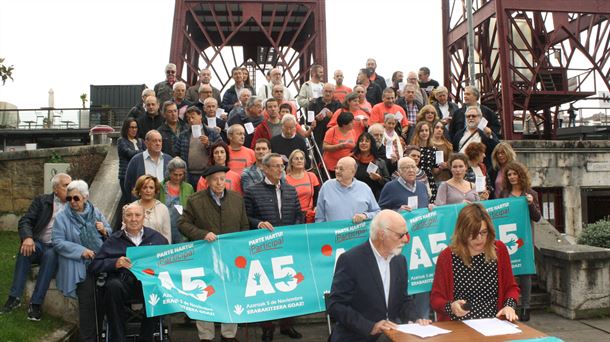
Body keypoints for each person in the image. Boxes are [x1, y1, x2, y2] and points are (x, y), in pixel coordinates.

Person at [327, 209, 430, 342]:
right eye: (401, 235)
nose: (406, 239)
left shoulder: (400, 261)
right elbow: (335, 305)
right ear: (382, 235)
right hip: (356, 335)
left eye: (407, 234)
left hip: (391, 334)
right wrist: (370, 327)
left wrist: (416, 319)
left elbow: (404, 300)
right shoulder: (351, 260)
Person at [179, 165, 248, 342]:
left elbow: (244, 226)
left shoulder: (237, 199)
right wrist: (202, 234)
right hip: (205, 257)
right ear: (207, 181)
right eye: (215, 179)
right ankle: (206, 336)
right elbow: (183, 224)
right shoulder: (195, 200)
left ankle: (229, 334)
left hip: (230, 257)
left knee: (230, 294)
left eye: (222, 179)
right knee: (205, 295)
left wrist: (239, 248)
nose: (219, 182)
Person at [243, 153, 303, 341]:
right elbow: (245, 217)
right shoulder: (252, 191)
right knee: (267, 288)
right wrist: (259, 224)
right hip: (264, 248)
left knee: (288, 285)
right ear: (265, 169)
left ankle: (287, 325)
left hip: (287, 247)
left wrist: (293, 234)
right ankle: (267, 328)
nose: (280, 169)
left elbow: (299, 215)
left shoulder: (291, 190)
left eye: (282, 166)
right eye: (276, 166)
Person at [90, 203, 168, 342]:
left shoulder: (157, 238)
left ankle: (146, 338)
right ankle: (118, 338)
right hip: (123, 283)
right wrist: (115, 263)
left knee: (158, 288)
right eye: (129, 215)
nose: (133, 219)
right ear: (123, 219)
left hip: (148, 284)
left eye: (137, 215)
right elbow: (95, 265)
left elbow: (169, 262)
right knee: (112, 286)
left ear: (144, 217)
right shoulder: (114, 240)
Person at [430, 203, 520, 322]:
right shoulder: (447, 256)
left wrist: (509, 306)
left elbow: (511, 287)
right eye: (473, 233)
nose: (479, 238)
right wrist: (450, 307)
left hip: (495, 324)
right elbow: (436, 298)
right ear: (462, 232)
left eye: (483, 232)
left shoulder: (499, 249)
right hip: (459, 326)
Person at [0, 173, 71, 320]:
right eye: (66, 185)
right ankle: (14, 298)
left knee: (51, 255)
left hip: (57, 247)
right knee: (25, 250)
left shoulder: (74, 204)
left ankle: (36, 303)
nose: (70, 188)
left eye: (71, 185)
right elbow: (25, 221)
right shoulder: (42, 201)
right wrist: (27, 237)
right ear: (56, 189)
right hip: (39, 243)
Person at [53, 180, 112, 341]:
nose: (72, 202)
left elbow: (110, 233)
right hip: (80, 267)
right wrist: (81, 251)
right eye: (69, 198)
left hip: (101, 265)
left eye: (76, 198)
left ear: (85, 198)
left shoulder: (96, 212)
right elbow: (58, 242)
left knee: (103, 304)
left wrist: (104, 230)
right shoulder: (61, 217)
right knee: (87, 308)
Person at [499, 161, 541, 321]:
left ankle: (526, 307)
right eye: (509, 174)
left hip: (524, 238)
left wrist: (530, 204)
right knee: (509, 273)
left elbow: (537, 218)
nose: (512, 177)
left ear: (520, 175)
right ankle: (510, 305)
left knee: (525, 273)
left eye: (514, 174)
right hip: (507, 236)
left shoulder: (531, 193)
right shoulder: (503, 194)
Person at [316, 156, 380, 223]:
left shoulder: (364, 188)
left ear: (353, 172)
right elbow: (319, 218)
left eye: (341, 169)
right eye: (336, 168)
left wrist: (365, 216)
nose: (337, 171)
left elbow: (377, 213)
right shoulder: (326, 187)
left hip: (358, 233)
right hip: (332, 233)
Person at [173, 106, 222, 187]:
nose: (191, 120)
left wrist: (208, 144)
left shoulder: (211, 132)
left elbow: (222, 148)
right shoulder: (183, 135)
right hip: (188, 174)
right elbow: (176, 152)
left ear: (200, 116)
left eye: (193, 117)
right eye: (188, 119)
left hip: (207, 173)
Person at [124, 130, 172, 201]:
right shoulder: (136, 160)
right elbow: (128, 184)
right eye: (154, 141)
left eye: (160, 141)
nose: (158, 143)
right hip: (142, 205)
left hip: (164, 203)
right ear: (146, 143)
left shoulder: (169, 160)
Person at [452, 106, 500, 171]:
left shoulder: (486, 132)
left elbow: (497, 148)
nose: (470, 118)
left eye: (473, 116)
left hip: (480, 168)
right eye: (468, 116)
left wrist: (490, 136)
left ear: (480, 118)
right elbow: (454, 150)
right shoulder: (459, 134)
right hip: (461, 169)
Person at [159, 157, 193, 244]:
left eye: (180, 175)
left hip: (182, 232)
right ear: (169, 173)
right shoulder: (160, 188)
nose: (178, 178)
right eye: (175, 174)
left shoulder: (188, 188)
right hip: (163, 230)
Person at [131, 175, 171, 242]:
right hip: (138, 249)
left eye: (151, 188)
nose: (148, 190)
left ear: (155, 190)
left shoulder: (163, 209)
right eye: (144, 187)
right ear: (139, 190)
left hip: (158, 249)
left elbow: (167, 235)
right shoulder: (131, 208)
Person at [352, 132, 390, 200]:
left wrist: (379, 178)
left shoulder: (380, 162)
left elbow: (388, 181)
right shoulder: (352, 160)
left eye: (367, 141)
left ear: (371, 144)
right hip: (354, 196)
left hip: (373, 197)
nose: (363, 143)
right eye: (361, 141)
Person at [286, 149, 320, 220]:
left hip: (310, 215)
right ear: (291, 162)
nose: (299, 160)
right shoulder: (285, 179)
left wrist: (315, 207)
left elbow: (317, 196)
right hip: (293, 216)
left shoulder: (312, 176)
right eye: (296, 158)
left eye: (301, 158)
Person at [410, 121, 439, 202]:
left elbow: (436, 170)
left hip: (430, 180)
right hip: (415, 179)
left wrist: (442, 167)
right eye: (422, 131)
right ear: (417, 133)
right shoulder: (412, 149)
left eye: (426, 130)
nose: (424, 133)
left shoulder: (434, 149)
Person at [118, 118, 145, 205]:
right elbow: (129, 153)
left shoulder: (140, 141)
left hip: (139, 176)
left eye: (135, 127)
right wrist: (142, 152)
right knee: (129, 202)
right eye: (131, 127)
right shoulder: (121, 141)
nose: (134, 130)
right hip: (126, 176)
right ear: (126, 128)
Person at [323, 111, 356, 177]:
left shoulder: (352, 131)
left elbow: (354, 145)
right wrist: (341, 146)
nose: (354, 123)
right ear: (344, 124)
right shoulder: (332, 131)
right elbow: (325, 147)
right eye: (351, 122)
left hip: (346, 164)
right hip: (332, 165)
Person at [309, 83, 342, 151]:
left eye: (330, 92)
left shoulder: (338, 105)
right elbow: (308, 121)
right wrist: (316, 118)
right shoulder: (314, 103)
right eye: (326, 91)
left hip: (332, 134)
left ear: (333, 93)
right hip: (317, 133)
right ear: (322, 91)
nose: (328, 94)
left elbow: (341, 122)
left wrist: (333, 117)